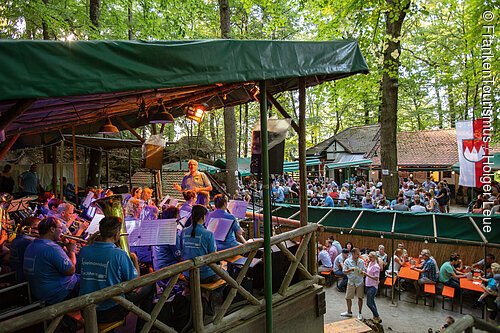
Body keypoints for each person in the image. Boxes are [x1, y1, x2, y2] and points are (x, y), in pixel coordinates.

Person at [77, 216, 154, 330]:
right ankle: (144, 328)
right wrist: (135, 260)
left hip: (85, 308)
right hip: (109, 311)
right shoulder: (119, 254)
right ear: (117, 234)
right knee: (150, 285)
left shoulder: (84, 250)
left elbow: (80, 271)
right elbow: (134, 284)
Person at [23, 217, 80, 305]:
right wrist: (71, 252)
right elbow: (71, 270)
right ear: (52, 229)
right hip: (59, 293)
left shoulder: (32, 244)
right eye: (60, 228)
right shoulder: (52, 247)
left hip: (41, 291)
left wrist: (63, 248)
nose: (62, 232)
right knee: (92, 282)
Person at [181, 205, 220, 283]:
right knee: (227, 275)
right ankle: (210, 295)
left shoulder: (184, 231)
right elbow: (213, 255)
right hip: (205, 275)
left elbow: (182, 251)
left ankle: (202, 293)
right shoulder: (208, 234)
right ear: (204, 217)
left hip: (187, 274)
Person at [10, 217, 40, 283]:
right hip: (25, 280)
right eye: (37, 228)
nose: (40, 231)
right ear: (27, 228)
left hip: (22, 276)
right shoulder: (26, 242)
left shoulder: (19, 238)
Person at [341, 248, 366, 319]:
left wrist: (362, 272)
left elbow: (364, 270)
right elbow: (344, 271)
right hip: (351, 282)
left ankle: (360, 313)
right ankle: (349, 312)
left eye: (359, 254)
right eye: (357, 254)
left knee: (360, 298)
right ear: (353, 254)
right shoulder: (347, 261)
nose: (359, 255)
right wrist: (351, 269)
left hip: (359, 281)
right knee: (348, 297)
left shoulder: (361, 261)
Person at [363, 251, 381, 324]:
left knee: (369, 303)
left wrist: (366, 274)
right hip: (368, 284)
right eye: (369, 257)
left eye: (371, 257)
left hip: (373, 286)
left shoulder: (376, 266)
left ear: (374, 257)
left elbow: (376, 278)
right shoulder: (370, 263)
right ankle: (375, 316)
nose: (369, 258)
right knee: (372, 302)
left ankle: (377, 316)